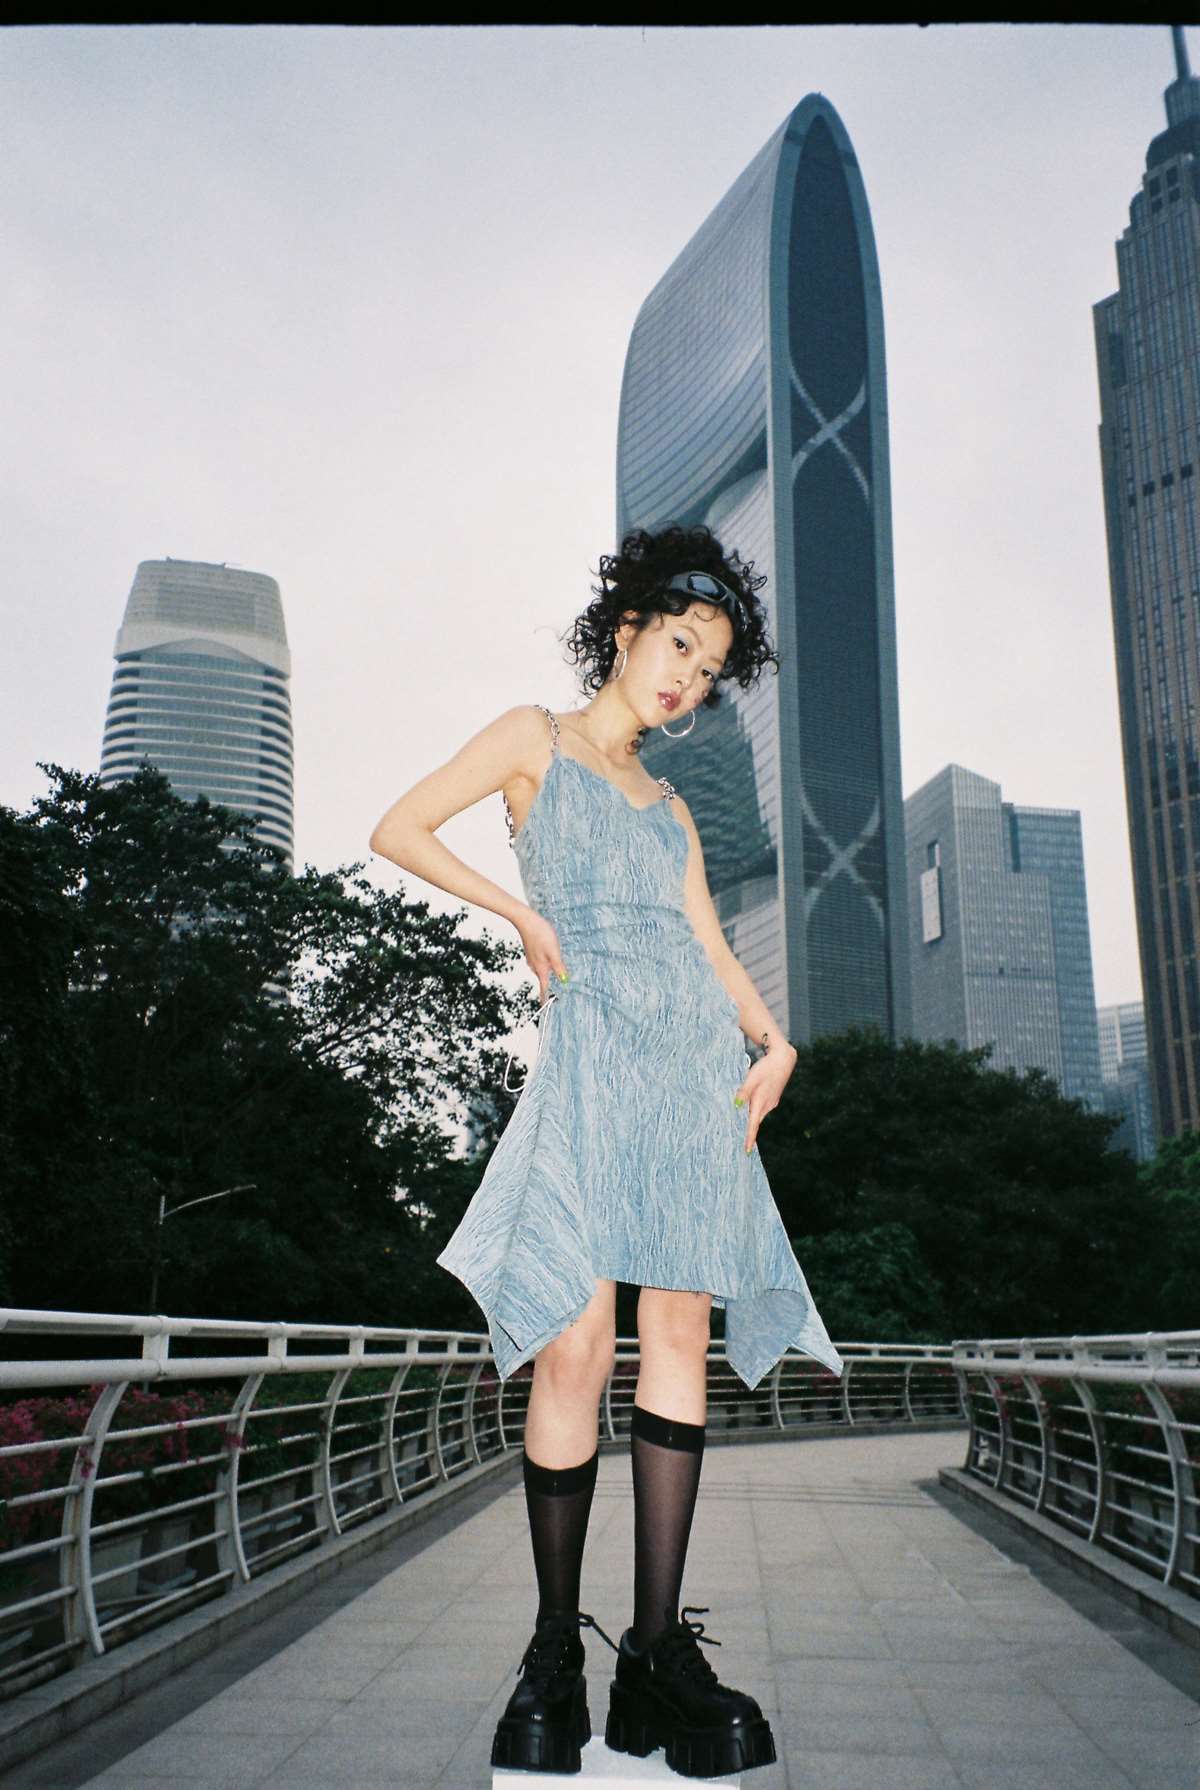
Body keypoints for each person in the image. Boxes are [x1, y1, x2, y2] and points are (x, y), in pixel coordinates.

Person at [368, 523, 844, 1779]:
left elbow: (708, 942)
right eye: (678, 644)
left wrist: (772, 1036)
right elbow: (400, 827)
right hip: (591, 1061)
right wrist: (520, 914)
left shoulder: (673, 805)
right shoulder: (535, 738)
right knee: (576, 1341)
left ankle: (653, 1657)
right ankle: (552, 1656)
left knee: (678, 1331)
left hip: (688, 1071)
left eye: (711, 666)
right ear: (626, 628)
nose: (688, 677)